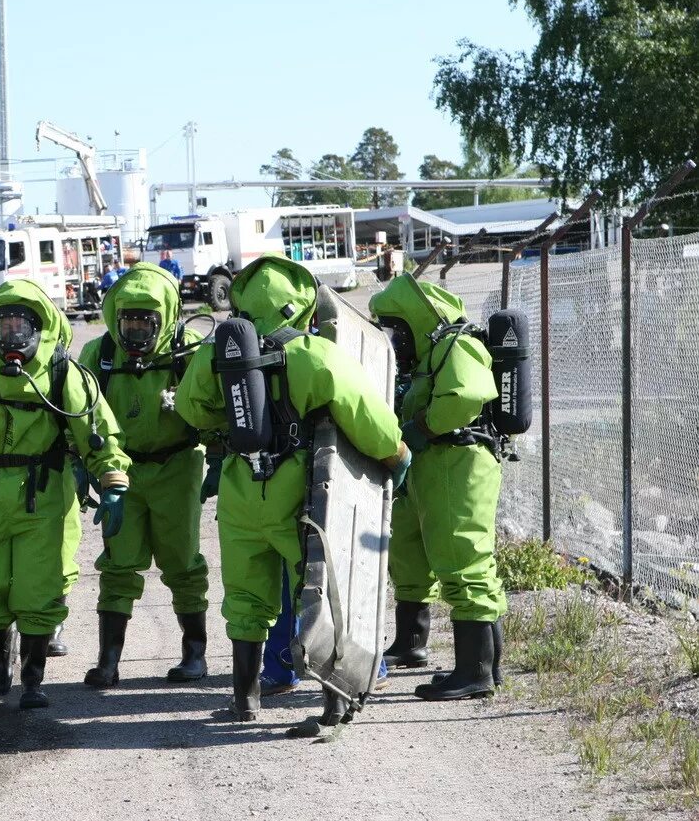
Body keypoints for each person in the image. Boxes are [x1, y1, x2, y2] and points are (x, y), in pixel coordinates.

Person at [174, 254, 409, 722]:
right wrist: (398, 456)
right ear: (296, 303)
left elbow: (189, 408)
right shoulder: (313, 353)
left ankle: (245, 699)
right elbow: (369, 419)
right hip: (300, 490)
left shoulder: (217, 352)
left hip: (242, 487)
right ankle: (333, 701)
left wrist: (233, 423)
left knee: (244, 597)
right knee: (321, 590)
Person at [0, 279, 131, 709]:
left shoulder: (67, 376)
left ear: (40, 328)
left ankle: (32, 679)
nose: (13, 337)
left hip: (47, 497)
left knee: (41, 587)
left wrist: (112, 483)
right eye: (4, 328)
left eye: (20, 327)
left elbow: (97, 433)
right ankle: (0, 641)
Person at [369, 274, 507, 701]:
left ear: (417, 323)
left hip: (459, 462)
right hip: (435, 464)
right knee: (412, 553)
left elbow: (466, 396)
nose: (396, 340)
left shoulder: (455, 345)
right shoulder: (431, 354)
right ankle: (414, 644)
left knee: (462, 559)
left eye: (398, 329)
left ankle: (476, 670)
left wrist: (425, 425)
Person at [78, 263, 210, 687]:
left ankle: (195, 655)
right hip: (121, 471)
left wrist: (222, 459)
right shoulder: (98, 356)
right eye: (128, 323)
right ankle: (109, 662)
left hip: (178, 466)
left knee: (182, 562)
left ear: (165, 319)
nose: (136, 334)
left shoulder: (188, 351)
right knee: (118, 563)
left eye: (145, 323)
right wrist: (84, 471)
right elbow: (80, 421)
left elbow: (215, 408)